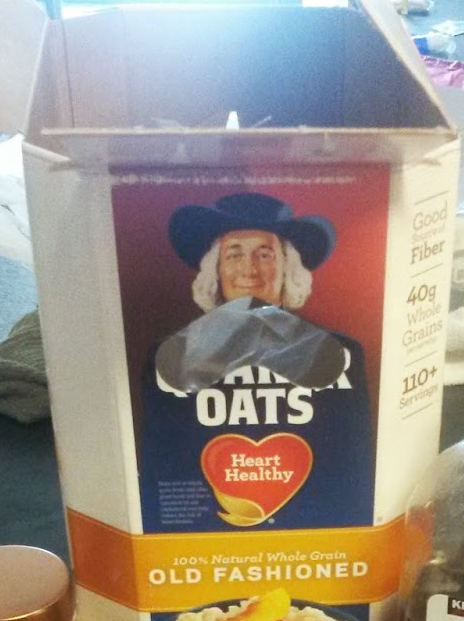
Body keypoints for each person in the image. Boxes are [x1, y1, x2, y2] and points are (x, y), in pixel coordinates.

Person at [139, 191, 374, 534]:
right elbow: (164, 467)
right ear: (216, 271)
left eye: (264, 254)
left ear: (287, 269)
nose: (249, 269)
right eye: (234, 254)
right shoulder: (172, 357)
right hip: (207, 536)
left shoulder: (341, 354)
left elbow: (349, 470)